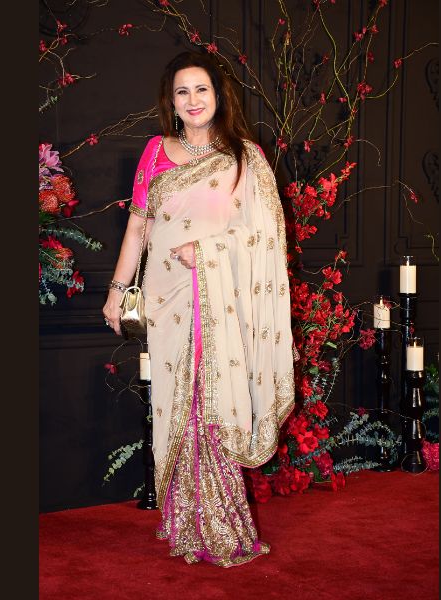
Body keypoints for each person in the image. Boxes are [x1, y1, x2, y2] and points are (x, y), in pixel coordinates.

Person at [102, 51, 294, 567]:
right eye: (182, 92)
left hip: (221, 302)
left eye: (201, 89)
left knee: (210, 405)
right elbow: (138, 227)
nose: (192, 100)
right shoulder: (155, 153)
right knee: (178, 408)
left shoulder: (244, 158)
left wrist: (207, 252)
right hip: (168, 300)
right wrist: (117, 290)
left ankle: (221, 524)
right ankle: (186, 519)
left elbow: (265, 237)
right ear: (171, 101)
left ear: (218, 95)